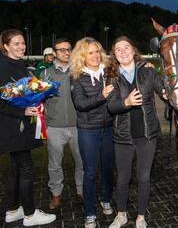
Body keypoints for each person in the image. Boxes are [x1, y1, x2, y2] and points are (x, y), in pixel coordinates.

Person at [106, 36, 165, 228]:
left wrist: (171, 94)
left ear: (133, 50)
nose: (123, 52)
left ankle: (141, 216)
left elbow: (163, 91)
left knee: (143, 177)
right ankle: (121, 214)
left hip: (147, 135)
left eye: (126, 47)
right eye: (118, 49)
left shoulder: (148, 71)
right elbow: (112, 106)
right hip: (123, 136)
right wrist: (126, 102)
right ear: (114, 55)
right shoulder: (112, 76)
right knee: (122, 177)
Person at [0, 29, 56, 226]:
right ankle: (31, 215)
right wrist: (22, 112)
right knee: (26, 169)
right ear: (5, 46)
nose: (21, 46)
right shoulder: (4, 66)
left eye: (22, 42)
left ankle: (12, 209)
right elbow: (3, 100)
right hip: (14, 127)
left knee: (15, 168)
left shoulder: (17, 63)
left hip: (17, 127)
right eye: (15, 43)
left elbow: (21, 91)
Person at [70, 37, 114, 228]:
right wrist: (101, 96)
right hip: (88, 131)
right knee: (90, 172)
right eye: (90, 52)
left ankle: (105, 199)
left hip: (109, 128)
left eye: (97, 51)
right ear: (82, 56)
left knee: (107, 168)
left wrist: (145, 67)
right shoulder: (76, 76)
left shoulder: (110, 72)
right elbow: (80, 104)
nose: (95, 56)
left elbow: (131, 66)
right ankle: (90, 212)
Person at [40, 38, 84, 209]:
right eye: (62, 50)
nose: (66, 52)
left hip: (78, 126)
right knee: (54, 164)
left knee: (82, 162)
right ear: (54, 53)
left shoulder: (79, 71)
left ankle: (81, 190)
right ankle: (56, 194)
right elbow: (39, 99)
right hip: (55, 128)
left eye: (69, 49)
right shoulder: (46, 74)